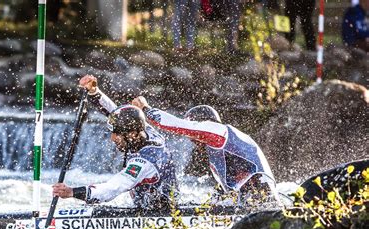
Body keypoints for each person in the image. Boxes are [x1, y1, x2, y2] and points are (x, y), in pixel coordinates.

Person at [52, 76, 178, 213]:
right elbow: (116, 113)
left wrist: (72, 192)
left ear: (132, 134)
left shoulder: (144, 162)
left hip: (160, 212)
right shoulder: (144, 131)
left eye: (116, 134)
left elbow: (113, 188)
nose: (112, 138)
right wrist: (94, 92)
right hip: (147, 205)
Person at [131, 97, 278, 206]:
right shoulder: (219, 150)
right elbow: (226, 194)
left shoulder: (221, 132)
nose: (191, 140)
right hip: (252, 205)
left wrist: (145, 109)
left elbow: (177, 125)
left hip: (262, 202)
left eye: (192, 134)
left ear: (203, 124)